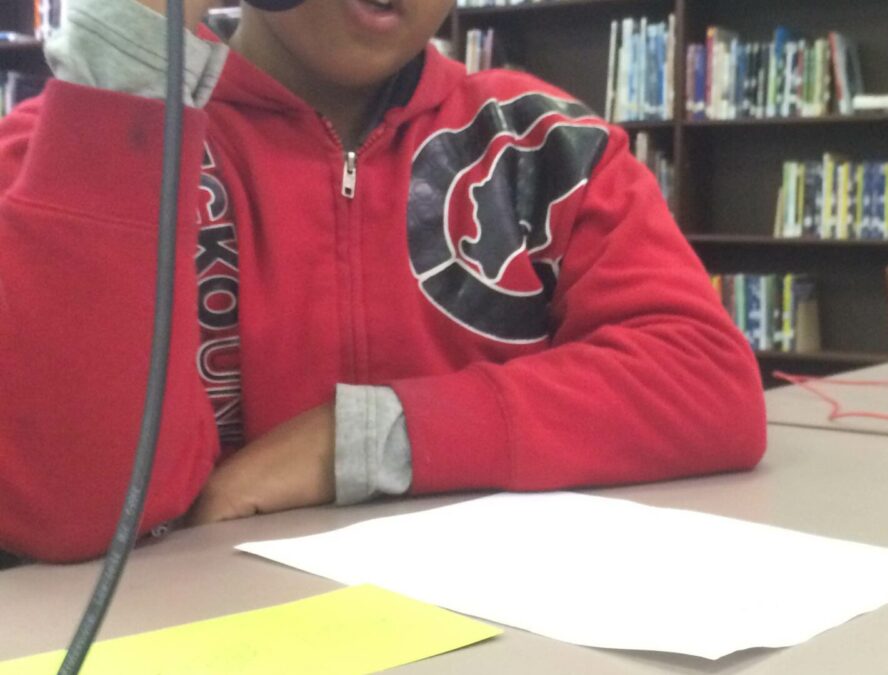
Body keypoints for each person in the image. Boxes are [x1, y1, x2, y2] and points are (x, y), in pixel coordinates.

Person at [0, 0, 766, 563]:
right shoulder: (63, 151)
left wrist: (355, 442)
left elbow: (708, 383)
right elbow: (77, 509)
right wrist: (136, 48)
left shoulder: (542, 143)